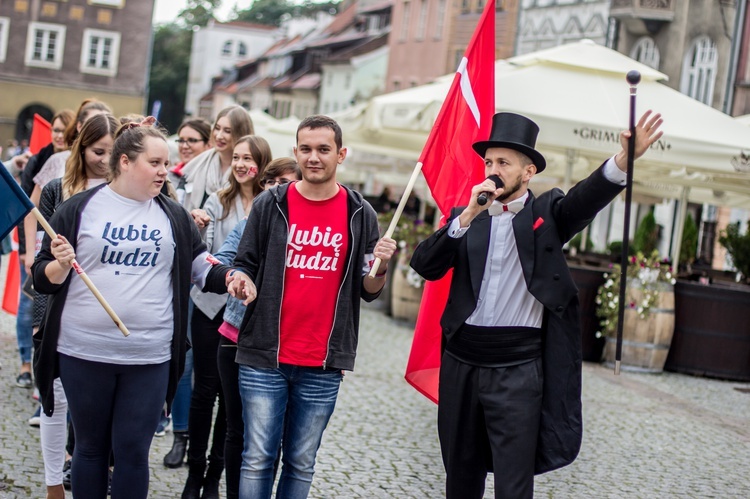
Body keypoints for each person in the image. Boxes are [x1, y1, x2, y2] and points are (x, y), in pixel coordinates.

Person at [409, 110, 664, 499]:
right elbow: (425, 265)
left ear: (527, 172)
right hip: (462, 363)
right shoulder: (466, 216)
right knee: (460, 479)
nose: (493, 171)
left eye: (503, 163)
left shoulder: (546, 214)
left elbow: (586, 197)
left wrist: (624, 161)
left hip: (517, 369)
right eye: (489, 162)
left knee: (513, 484)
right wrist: (469, 214)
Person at [31, 119, 232, 499]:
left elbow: (201, 267)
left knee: (133, 453)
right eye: (154, 162)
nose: (163, 170)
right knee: (89, 450)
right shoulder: (77, 209)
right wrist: (59, 263)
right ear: (124, 162)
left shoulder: (172, 215)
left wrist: (232, 278)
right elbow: (43, 277)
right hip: (83, 351)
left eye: (165, 163)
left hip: (149, 356)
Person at [224, 115, 397, 498]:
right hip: (263, 354)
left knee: (301, 462)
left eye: (323, 149)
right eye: (306, 149)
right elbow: (245, 261)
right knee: (257, 458)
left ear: (341, 154)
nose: (314, 157)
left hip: (322, 361)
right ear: (296, 152)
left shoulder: (359, 212)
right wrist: (241, 279)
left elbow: (369, 288)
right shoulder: (271, 203)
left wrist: (382, 264)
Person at [181, 135, 272, 499]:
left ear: (261, 164)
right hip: (209, 303)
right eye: (235, 157)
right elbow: (205, 251)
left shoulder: (271, 205)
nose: (239, 164)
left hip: (242, 315)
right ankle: (194, 471)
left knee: (231, 396)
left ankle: (215, 476)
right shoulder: (218, 200)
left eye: (247, 158)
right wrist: (200, 227)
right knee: (204, 390)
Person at [212, 157, 301, 499]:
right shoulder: (251, 221)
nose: (275, 188)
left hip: (281, 344)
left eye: (285, 182)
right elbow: (222, 260)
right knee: (238, 431)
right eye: (270, 181)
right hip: (236, 336)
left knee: (270, 437)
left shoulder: (308, 234)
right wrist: (238, 274)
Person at [14, 109, 75, 391]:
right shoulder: (43, 161)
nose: (59, 135)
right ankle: (27, 364)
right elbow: (30, 209)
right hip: (38, 250)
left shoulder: (81, 162)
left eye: (65, 130)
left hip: (64, 256)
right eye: (55, 130)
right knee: (29, 306)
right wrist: (29, 251)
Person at [181, 106, 254, 227]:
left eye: (227, 131)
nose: (219, 136)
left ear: (241, 133)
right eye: (217, 128)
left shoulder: (249, 172)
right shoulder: (198, 164)